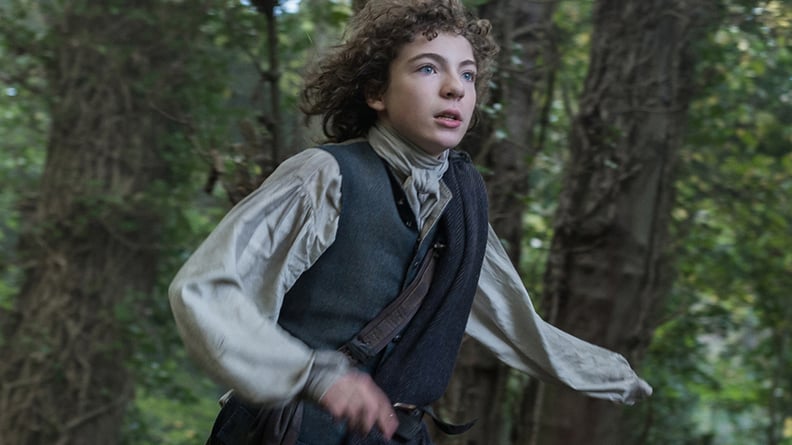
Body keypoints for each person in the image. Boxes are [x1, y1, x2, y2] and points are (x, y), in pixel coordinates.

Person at [168, 0, 652, 444]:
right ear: (376, 91)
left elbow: (509, 318)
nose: (455, 88)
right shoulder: (323, 175)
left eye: (468, 74)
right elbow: (203, 290)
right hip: (288, 432)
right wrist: (310, 374)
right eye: (428, 68)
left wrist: (609, 375)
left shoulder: (462, 199)